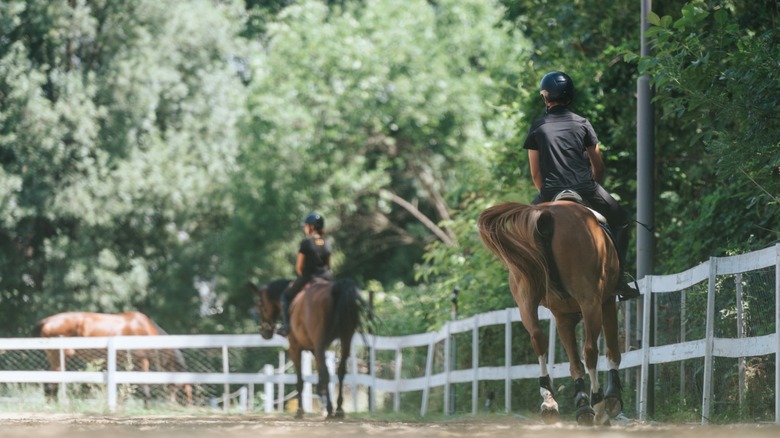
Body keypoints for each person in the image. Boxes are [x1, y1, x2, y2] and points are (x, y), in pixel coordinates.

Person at [523, 71, 638, 298]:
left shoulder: (538, 127)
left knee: (524, 231)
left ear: (545, 97)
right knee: (622, 222)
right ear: (570, 96)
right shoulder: (582, 123)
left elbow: (535, 172)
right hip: (585, 189)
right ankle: (619, 280)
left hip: (550, 192)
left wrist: (547, 198)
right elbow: (599, 165)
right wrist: (592, 186)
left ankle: (532, 284)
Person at [276, 211, 333, 336]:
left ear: (312, 226)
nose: (305, 228)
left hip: (309, 277)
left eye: (306, 225)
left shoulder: (306, 244)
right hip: (326, 278)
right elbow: (328, 265)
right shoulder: (327, 243)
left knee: (285, 297)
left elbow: (299, 267)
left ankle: (287, 327)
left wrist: (304, 276)